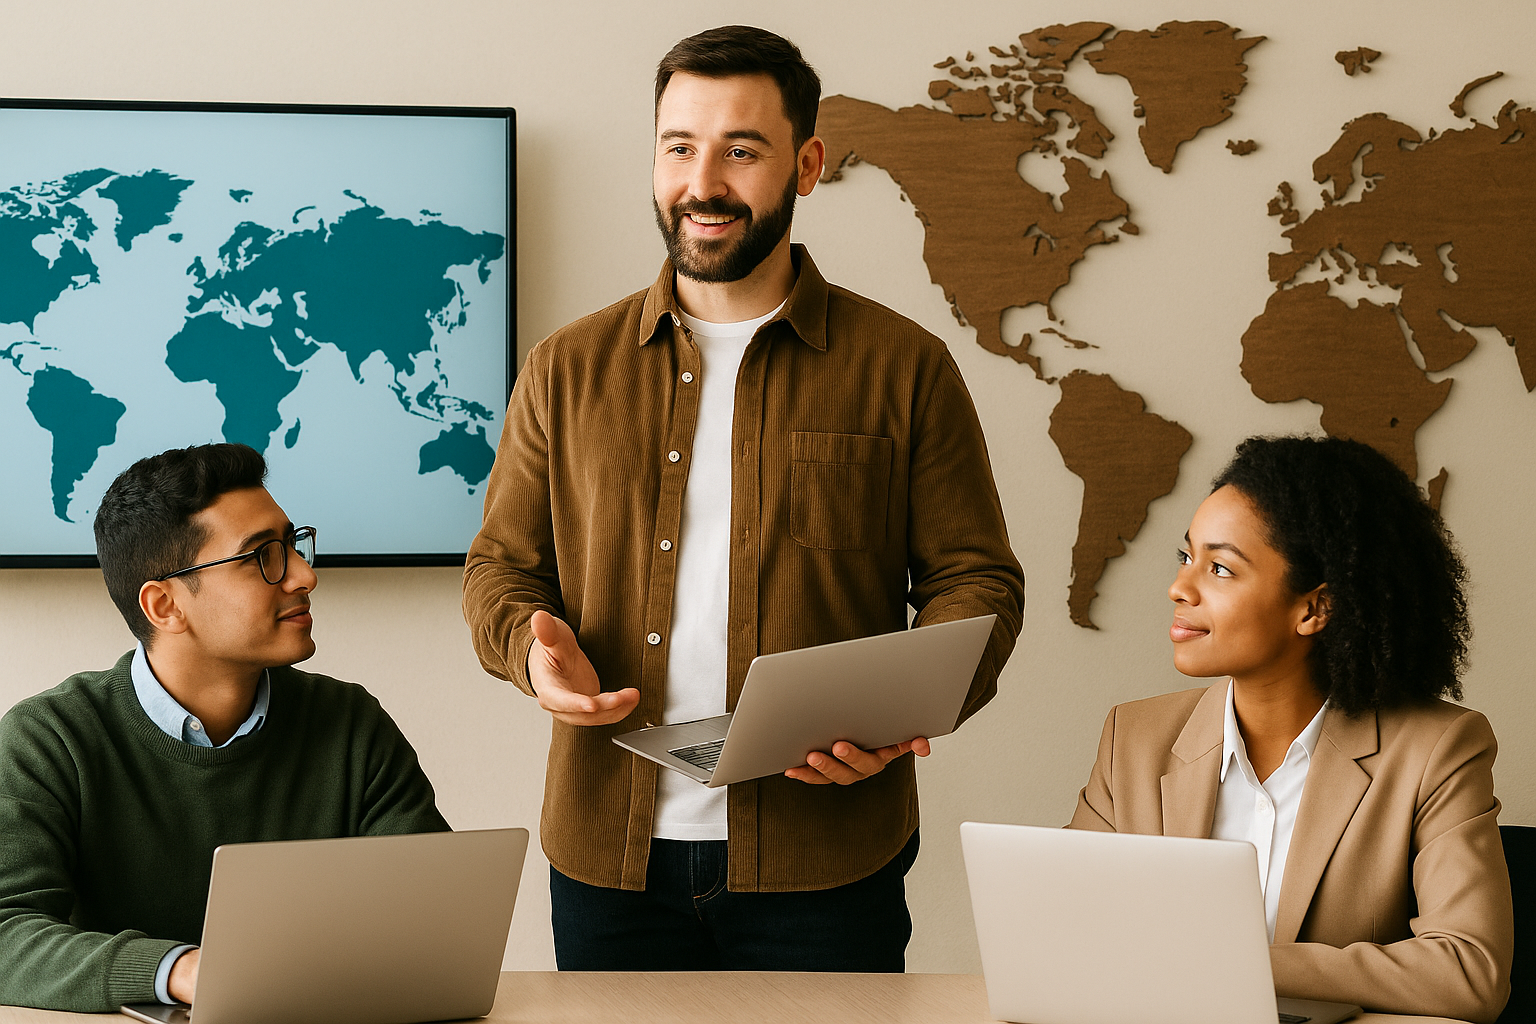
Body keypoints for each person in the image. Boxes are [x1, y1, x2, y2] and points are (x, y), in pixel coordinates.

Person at [462, 25, 1025, 971]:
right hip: (611, 859)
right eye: (679, 147)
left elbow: (977, 582)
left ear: (806, 165)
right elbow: (500, 570)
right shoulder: (563, 370)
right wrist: (529, 648)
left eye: (741, 149)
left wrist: (905, 710)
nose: (704, 181)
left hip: (828, 862)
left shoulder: (905, 367)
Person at [1069, 435, 1513, 1022]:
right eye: (1186, 557)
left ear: (1314, 609)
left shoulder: (1438, 749)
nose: (1180, 587)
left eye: (1219, 568)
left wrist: (1241, 959)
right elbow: (1070, 935)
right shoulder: (1135, 738)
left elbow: (1469, 970)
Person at [0, 443, 449, 1012]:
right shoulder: (49, 739)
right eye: (262, 557)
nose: (305, 576)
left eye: (292, 545)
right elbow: (6, 932)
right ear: (164, 606)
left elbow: (432, 919)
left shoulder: (351, 725)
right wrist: (180, 970)